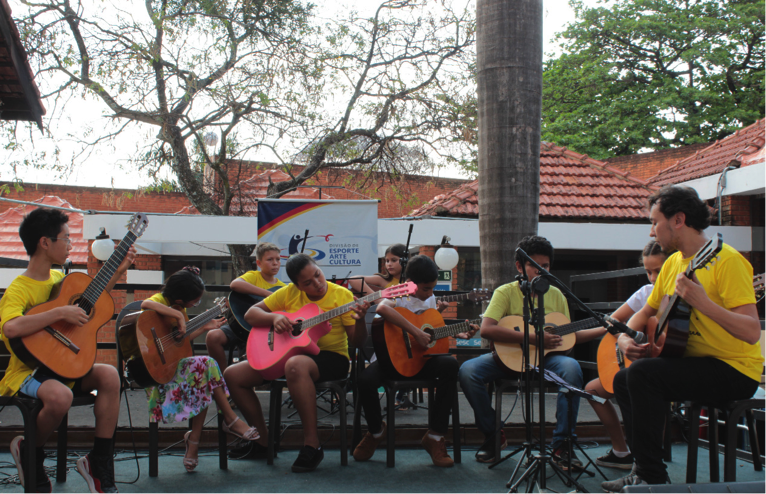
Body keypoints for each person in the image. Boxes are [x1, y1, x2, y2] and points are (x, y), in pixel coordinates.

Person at [601, 186, 762, 492]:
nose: (651, 231)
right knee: (624, 379)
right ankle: (643, 467)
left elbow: (751, 331)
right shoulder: (673, 263)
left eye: (654, 221)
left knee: (643, 375)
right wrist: (625, 340)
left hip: (734, 368)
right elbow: (642, 314)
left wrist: (703, 303)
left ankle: (652, 477)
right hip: (692, 363)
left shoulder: (727, 261)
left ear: (678, 220)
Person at [0, 208, 135, 494]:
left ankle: (98, 462)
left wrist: (118, 272)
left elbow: (91, 303)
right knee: (61, 396)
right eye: (66, 238)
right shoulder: (19, 289)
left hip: (65, 366)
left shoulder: (60, 281)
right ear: (45, 243)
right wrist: (59, 312)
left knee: (110, 375)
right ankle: (30, 452)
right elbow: (11, 328)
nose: (70, 245)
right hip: (29, 373)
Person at [458, 235, 604, 468]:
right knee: (468, 371)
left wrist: (602, 328)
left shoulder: (556, 295)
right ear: (520, 266)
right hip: (508, 358)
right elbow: (487, 329)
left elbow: (569, 335)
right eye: (534, 266)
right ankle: (494, 434)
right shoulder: (504, 292)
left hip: (549, 360)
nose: (541, 271)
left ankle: (562, 445)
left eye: (545, 266)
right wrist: (533, 338)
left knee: (572, 368)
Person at [223, 253, 369, 472]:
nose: (317, 284)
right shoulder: (289, 293)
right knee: (232, 375)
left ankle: (312, 445)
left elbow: (357, 342)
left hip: (331, 358)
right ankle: (262, 441)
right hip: (289, 355)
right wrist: (274, 318)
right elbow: (251, 314)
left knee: (296, 365)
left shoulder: (342, 296)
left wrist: (360, 321)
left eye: (317, 275)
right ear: (298, 286)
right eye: (308, 283)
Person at [352, 255, 478, 467]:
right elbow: (382, 309)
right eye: (426, 289)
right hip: (391, 360)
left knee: (449, 365)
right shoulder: (398, 293)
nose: (430, 294)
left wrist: (457, 334)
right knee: (365, 380)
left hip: (420, 360)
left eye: (432, 289)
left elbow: (427, 330)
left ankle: (435, 436)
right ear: (410, 283)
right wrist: (415, 333)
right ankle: (376, 431)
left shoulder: (429, 297)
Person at [140, 267, 260, 473]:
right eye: (194, 302)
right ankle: (226, 422)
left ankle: (195, 439)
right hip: (153, 371)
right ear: (179, 301)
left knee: (204, 374)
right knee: (207, 368)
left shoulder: (180, 308)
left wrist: (204, 327)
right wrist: (178, 317)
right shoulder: (160, 301)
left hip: (173, 366)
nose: (195, 304)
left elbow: (177, 341)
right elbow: (145, 304)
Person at [585, 240, 668, 470]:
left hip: (662, 369)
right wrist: (625, 340)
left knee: (648, 393)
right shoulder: (646, 293)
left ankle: (651, 459)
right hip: (634, 363)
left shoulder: (683, 296)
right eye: (648, 271)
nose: (652, 278)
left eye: (658, 271)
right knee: (592, 390)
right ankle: (622, 451)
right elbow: (613, 320)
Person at [206, 242, 286, 372]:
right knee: (213, 336)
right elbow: (235, 284)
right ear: (259, 263)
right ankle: (221, 380)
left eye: (278, 259)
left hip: (263, 332)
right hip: (239, 325)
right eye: (270, 259)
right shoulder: (253, 276)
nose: (275, 263)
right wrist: (268, 294)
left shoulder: (283, 288)